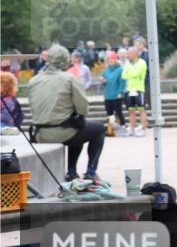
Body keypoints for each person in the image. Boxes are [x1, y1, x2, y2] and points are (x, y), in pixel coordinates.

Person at [25, 45, 105, 183]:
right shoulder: (69, 78)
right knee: (98, 129)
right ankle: (90, 172)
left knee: (78, 126)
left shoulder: (34, 80)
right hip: (62, 132)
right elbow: (83, 109)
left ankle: (72, 173)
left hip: (39, 134)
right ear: (65, 60)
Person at [122, 46, 148, 137]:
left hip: (139, 89)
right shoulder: (128, 63)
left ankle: (144, 130)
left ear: (135, 53)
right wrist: (131, 73)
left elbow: (136, 74)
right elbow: (124, 75)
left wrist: (130, 73)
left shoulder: (142, 63)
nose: (128, 55)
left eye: (130, 53)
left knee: (142, 110)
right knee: (131, 111)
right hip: (129, 89)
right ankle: (132, 130)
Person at [100, 51, 126, 127]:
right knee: (109, 113)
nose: (110, 60)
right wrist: (103, 81)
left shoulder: (120, 70)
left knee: (118, 112)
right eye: (108, 59)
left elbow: (122, 82)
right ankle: (113, 127)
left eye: (112, 59)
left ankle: (123, 127)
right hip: (108, 95)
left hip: (116, 95)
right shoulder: (105, 71)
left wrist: (120, 92)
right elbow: (103, 81)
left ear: (115, 60)